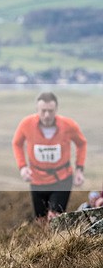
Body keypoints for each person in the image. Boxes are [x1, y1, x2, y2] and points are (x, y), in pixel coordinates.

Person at [12, 92, 87, 221]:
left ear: (56, 110)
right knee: (41, 220)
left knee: (54, 217)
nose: (47, 115)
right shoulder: (26, 124)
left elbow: (81, 143)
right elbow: (16, 143)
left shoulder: (68, 125)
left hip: (62, 178)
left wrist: (79, 169)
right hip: (37, 179)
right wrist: (23, 167)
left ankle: (60, 233)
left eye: (50, 111)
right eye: (43, 111)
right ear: (37, 110)